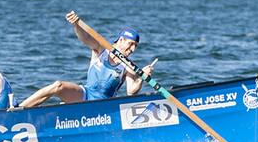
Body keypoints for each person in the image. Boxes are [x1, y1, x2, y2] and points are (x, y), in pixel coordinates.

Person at [16, 12, 154, 108]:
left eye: (135, 46)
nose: (133, 49)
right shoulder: (102, 48)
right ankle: (20, 108)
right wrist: (76, 25)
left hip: (104, 104)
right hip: (85, 94)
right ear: (121, 40)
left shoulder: (129, 66)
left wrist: (142, 78)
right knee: (58, 86)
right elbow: (85, 38)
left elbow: (131, 91)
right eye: (130, 44)